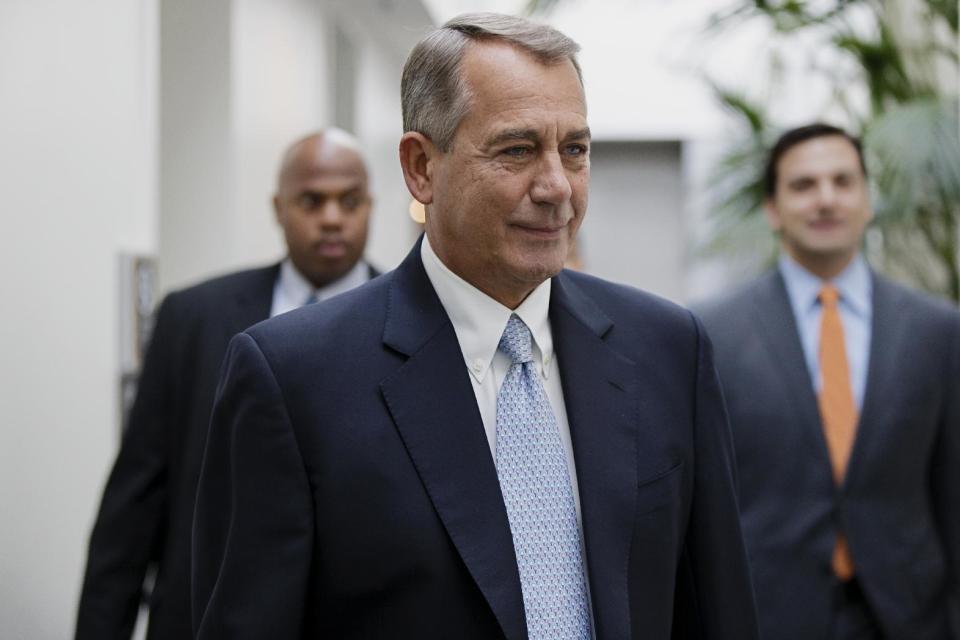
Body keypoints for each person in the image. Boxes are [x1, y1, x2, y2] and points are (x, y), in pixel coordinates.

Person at [192, 13, 758, 640]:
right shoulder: (293, 380)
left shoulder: (667, 350)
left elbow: (716, 610)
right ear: (420, 168)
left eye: (574, 150)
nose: (555, 188)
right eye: (517, 150)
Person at [75, 128, 378, 640]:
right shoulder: (192, 319)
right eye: (311, 200)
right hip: (202, 616)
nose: (332, 218)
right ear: (278, 208)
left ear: (369, 206)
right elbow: (134, 506)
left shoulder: (418, 325)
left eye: (349, 201)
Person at [696, 123, 960, 639]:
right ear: (773, 209)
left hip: (910, 614)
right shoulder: (710, 333)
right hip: (767, 612)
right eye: (803, 185)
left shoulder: (938, 330)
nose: (826, 199)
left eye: (843, 182)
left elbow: (951, 489)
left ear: (866, 200)